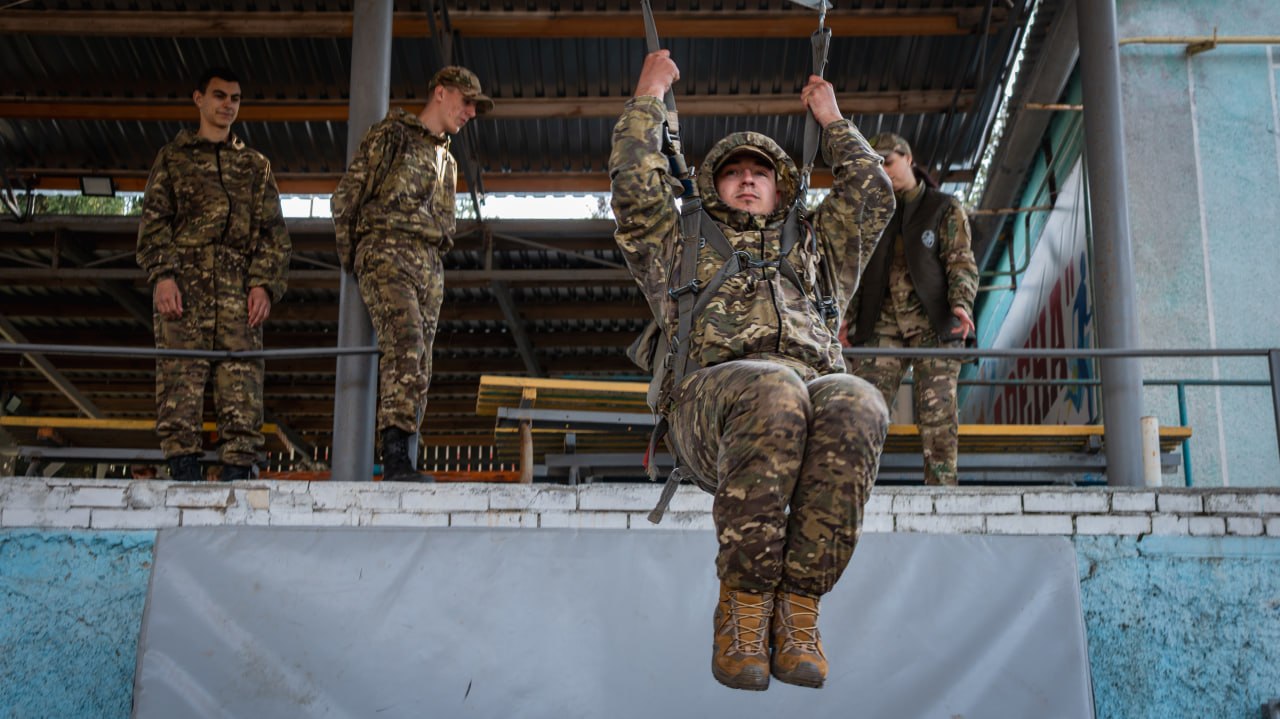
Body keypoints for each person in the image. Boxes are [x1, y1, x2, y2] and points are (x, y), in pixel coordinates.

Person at [610, 50, 894, 691]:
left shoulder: (818, 247)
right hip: (715, 411)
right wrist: (647, 98)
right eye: (731, 171)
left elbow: (873, 196)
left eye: (758, 171)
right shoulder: (677, 243)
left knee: (859, 401)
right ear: (713, 185)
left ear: (780, 185)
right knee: (775, 388)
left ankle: (797, 609)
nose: (745, 179)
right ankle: (742, 609)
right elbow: (632, 183)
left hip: (805, 400)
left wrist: (832, 119)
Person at [331, 65, 494, 482]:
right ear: (440, 93)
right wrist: (357, 256)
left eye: (475, 106)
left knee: (421, 358)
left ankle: (404, 452)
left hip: (429, 263)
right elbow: (347, 197)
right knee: (405, 343)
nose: (470, 112)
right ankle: (394, 456)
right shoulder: (393, 135)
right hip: (388, 249)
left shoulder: (447, 160)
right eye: (466, 101)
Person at [136, 67, 291, 483]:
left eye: (235, 99)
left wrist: (263, 284)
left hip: (238, 286)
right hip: (185, 282)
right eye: (219, 96)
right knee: (180, 372)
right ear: (198, 99)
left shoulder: (255, 166)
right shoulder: (173, 159)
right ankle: (181, 464)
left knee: (241, 374)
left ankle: (238, 465)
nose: (227, 105)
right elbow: (153, 224)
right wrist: (163, 276)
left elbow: (274, 235)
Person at [846, 133, 978, 486]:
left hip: (933, 324)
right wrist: (846, 321)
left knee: (937, 411)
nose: (885, 172)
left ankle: (942, 490)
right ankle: (853, 489)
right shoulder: (871, 216)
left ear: (908, 158)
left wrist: (961, 305)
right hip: (881, 326)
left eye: (888, 162)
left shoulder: (944, 207)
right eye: (878, 167)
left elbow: (960, 263)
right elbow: (857, 274)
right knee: (864, 409)